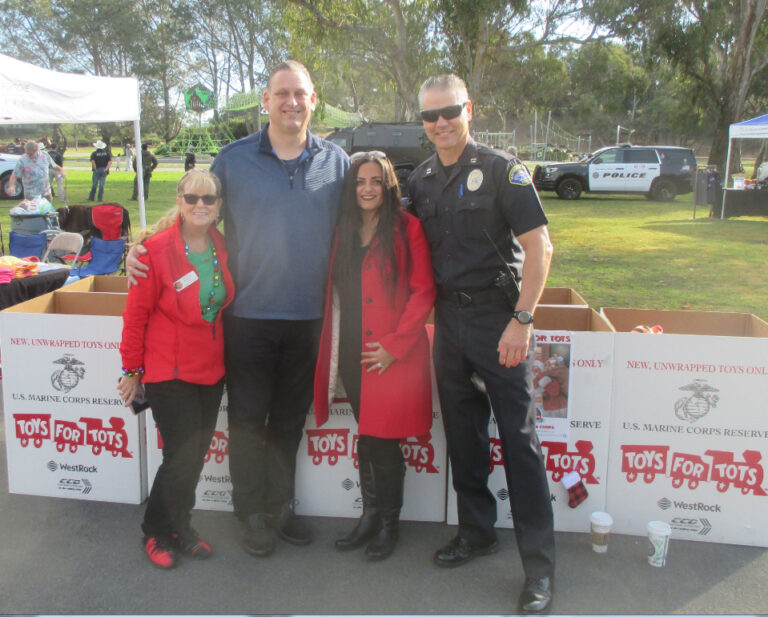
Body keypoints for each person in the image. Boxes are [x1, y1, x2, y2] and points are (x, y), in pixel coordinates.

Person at [126, 60, 349, 558]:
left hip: (310, 320)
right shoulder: (233, 158)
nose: (291, 102)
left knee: (290, 422)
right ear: (265, 101)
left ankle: (279, 508)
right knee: (247, 423)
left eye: (301, 94)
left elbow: (364, 228)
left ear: (314, 101)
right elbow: (192, 208)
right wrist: (139, 247)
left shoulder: (337, 161)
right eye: (282, 93)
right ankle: (250, 514)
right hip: (246, 319)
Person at [407, 74, 555, 614]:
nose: (440, 123)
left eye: (448, 111)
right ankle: (477, 531)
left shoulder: (500, 170)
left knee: (519, 442)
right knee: (465, 436)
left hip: (500, 320)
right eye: (429, 116)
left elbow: (540, 247)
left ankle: (539, 567)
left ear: (468, 108)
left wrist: (523, 319)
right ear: (421, 122)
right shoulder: (420, 179)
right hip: (448, 322)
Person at [313, 152, 436, 561]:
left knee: (384, 443)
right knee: (367, 438)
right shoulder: (342, 229)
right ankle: (368, 516)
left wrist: (396, 346)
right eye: (360, 181)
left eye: (376, 181)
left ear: (388, 186)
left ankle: (388, 523)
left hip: (389, 353)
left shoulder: (407, 228)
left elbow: (424, 291)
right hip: (350, 349)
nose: (367, 188)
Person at [118, 169, 235, 569]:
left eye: (209, 199)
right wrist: (132, 368)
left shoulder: (222, 244)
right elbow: (135, 317)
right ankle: (155, 530)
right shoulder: (154, 251)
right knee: (181, 456)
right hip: (169, 370)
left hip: (211, 367)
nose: (200, 205)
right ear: (180, 202)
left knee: (196, 454)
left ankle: (179, 526)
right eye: (192, 198)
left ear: (219, 206)